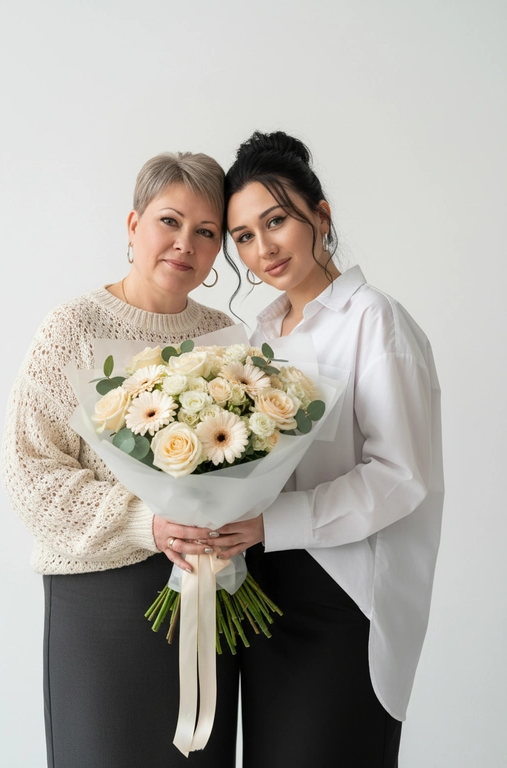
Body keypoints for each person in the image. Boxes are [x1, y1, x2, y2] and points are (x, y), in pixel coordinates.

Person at [205, 131, 444, 767]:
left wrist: (267, 522)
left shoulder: (375, 319)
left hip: (344, 600)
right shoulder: (260, 332)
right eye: (244, 237)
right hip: (264, 592)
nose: (263, 249)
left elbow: (400, 475)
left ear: (321, 215)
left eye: (275, 221)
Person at [1, 151, 239, 768]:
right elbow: (30, 474)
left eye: (205, 232)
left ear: (217, 251)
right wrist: (145, 522)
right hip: (98, 599)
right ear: (133, 225)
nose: (184, 243)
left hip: (206, 596)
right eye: (169, 221)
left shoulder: (225, 336)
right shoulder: (72, 329)